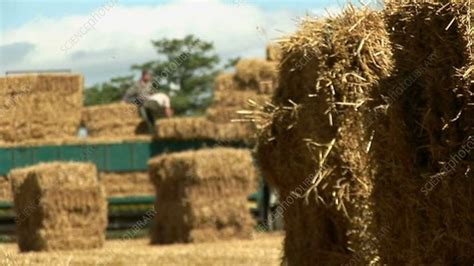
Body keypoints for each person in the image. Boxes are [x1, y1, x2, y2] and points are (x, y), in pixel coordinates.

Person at [123, 70, 173, 134]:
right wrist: (124, 100)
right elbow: (128, 93)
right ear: (143, 76)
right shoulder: (137, 85)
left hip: (149, 101)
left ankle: (152, 127)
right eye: (148, 75)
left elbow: (154, 95)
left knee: (152, 113)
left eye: (150, 75)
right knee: (140, 103)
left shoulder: (151, 85)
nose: (150, 77)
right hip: (139, 101)